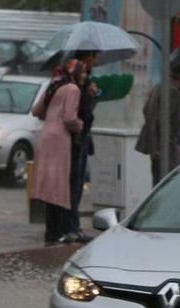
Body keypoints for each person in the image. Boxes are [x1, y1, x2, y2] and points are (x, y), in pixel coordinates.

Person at [30, 60, 85, 245]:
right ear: (75, 72)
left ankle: (50, 232)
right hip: (60, 138)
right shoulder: (73, 89)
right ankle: (60, 232)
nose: (84, 76)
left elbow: (36, 110)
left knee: (49, 186)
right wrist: (80, 125)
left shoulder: (53, 85)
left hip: (45, 135)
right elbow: (70, 118)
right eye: (83, 72)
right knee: (60, 185)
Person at [136, 64, 180, 185]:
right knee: (166, 183)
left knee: (158, 182)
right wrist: (169, 146)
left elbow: (148, 109)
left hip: (157, 146)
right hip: (163, 148)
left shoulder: (161, 87)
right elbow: (163, 121)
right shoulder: (172, 92)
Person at [69, 50, 100, 243]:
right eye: (94, 58)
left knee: (77, 185)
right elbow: (78, 113)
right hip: (77, 140)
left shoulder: (85, 82)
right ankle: (72, 225)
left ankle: (74, 224)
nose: (95, 62)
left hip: (82, 139)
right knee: (74, 184)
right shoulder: (74, 86)